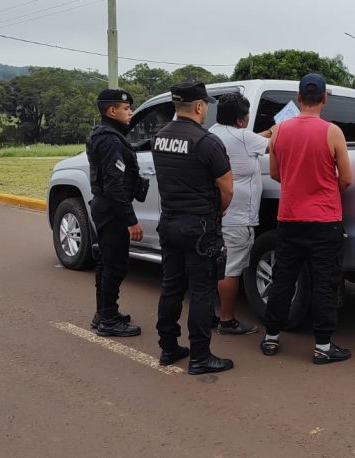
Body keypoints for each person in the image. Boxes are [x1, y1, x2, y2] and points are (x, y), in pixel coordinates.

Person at [260, 73, 353, 365]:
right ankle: (322, 347)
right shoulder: (333, 132)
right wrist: (324, 187)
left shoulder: (280, 131)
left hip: (289, 218)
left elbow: (275, 174)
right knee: (325, 282)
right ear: (324, 99)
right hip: (324, 220)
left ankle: (271, 337)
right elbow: (347, 179)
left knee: (283, 278)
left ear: (299, 98)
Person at [152, 81, 235, 375]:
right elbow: (227, 187)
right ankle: (200, 356)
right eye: (206, 106)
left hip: (170, 223)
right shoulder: (206, 141)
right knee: (201, 291)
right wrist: (217, 212)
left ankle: (168, 348)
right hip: (199, 227)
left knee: (171, 286)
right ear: (199, 106)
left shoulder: (159, 138)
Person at [208, 93, 272, 335]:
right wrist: (281, 129)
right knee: (231, 269)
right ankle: (227, 320)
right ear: (241, 120)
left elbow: (252, 139)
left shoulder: (213, 132)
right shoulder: (245, 137)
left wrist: (267, 132)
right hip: (237, 217)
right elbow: (272, 145)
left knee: (214, 266)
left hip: (215, 214)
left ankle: (210, 314)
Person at [86, 88, 143, 337]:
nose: (130, 113)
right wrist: (131, 221)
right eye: (126, 109)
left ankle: (104, 313)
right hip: (112, 211)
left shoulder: (107, 135)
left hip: (105, 208)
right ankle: (108, 319)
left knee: (106, 264)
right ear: (112, 111)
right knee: (115, 266)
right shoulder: (109, 140)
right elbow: (114, 185)